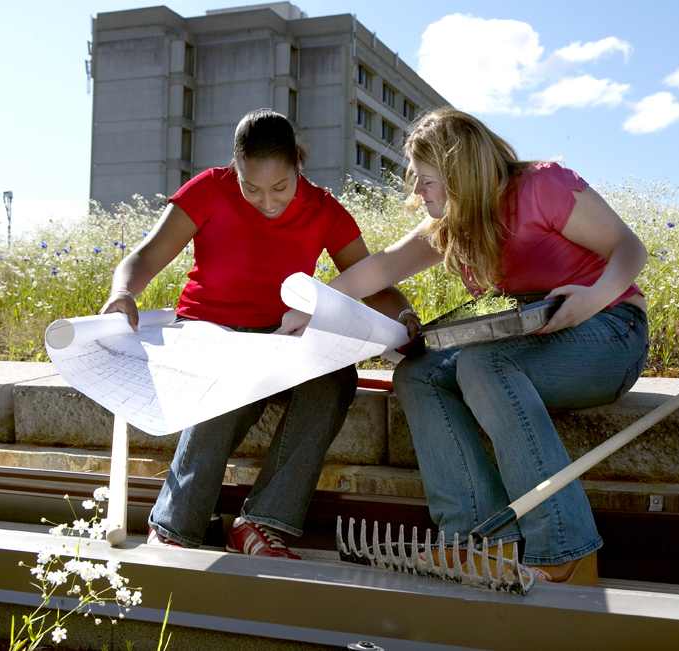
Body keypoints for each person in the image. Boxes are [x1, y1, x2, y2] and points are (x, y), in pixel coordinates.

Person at [280, 108, 649, 585]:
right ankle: (477, 545)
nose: (417, 193)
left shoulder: (543, 187)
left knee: (481, 365)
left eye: (426, 180)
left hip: (609, 328)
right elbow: (383, 266)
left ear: (459, 173)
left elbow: (629, 247)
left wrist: (595, 297)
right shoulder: (455, 223)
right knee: (418, 373)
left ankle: (565, 548)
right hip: (530, 334)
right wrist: (316, 305)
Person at [100, 108, 415, 558]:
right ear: (235, 169)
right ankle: (175, 527)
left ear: (298, 168)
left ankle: (261, 524)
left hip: (280, 338)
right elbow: (145, 258)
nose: (268, 202)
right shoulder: (209, 188)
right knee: (229, 376)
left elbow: (376, 284)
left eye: (280, 188)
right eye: (252, 188)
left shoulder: (324, 208)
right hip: (208, 331)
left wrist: (404, 316)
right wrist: (123, 291)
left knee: (336, 377)